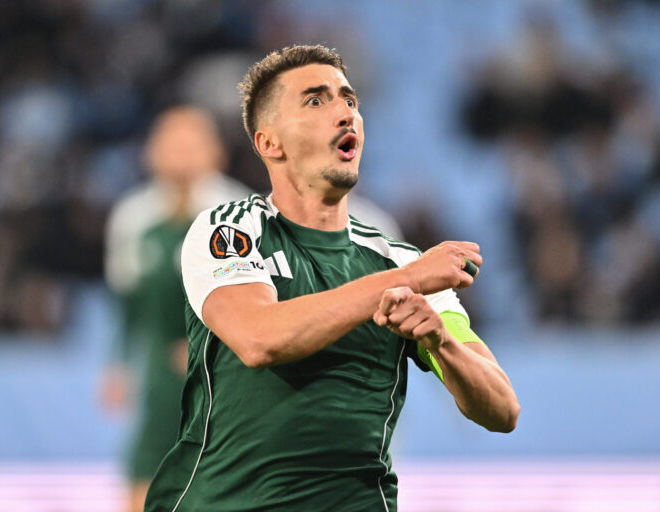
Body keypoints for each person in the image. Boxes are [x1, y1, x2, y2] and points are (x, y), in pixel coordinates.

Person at [144, 45, 520, 512]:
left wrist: (441, 342)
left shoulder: (397, 260)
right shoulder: (231, 229)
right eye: (316, 100)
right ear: (270, 143)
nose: (345, 113)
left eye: (350, 99)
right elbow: (258, 338)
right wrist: (401, 280)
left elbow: (502, 410)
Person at [102, 106, 251, 512]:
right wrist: (118, 363)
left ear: (217, 152)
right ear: (150, 152)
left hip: (226, 373)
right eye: (171, 143)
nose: (181, 154)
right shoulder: (133, 219)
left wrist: (212, 347)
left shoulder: (240, 213)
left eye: (191, 143)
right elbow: (127, 299)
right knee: (147, 468)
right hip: (159, 374)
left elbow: (256, 300)